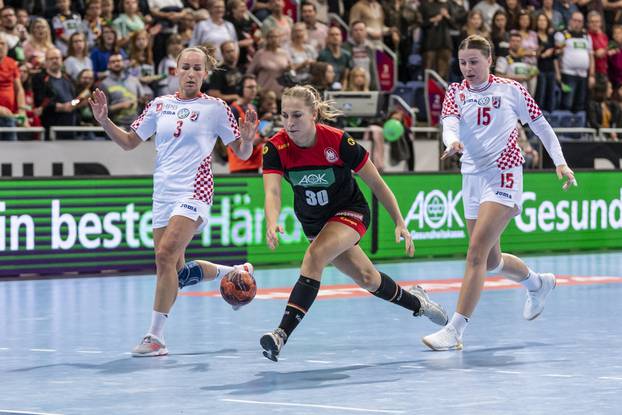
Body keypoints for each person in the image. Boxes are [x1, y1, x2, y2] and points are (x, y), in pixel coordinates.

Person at [89, 46, 259, 357]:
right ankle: (236, 270)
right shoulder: (159, 105)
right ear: (175, 71)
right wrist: (104, 121)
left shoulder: (217, 108)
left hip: (195, 189)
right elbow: (129, 142)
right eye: (186, 67)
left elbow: (243, 153)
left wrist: (247, 140)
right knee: (176, 272)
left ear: (205, 74)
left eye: (198, 68)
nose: (191, 73)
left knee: (164, 256)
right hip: (162, 194)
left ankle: (155, 338)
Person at [260, 85, 448, 362]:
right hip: (314, 223)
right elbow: (272, 192)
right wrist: (272, 221)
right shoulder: (275, 147)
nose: (290, 122)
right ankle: (418, 302)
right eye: (285, 115)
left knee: (315, 256)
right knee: (368, 279)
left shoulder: (337, 142)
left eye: (297, 115)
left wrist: (399, 221)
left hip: (350, 211)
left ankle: (281, 334)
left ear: (313, 115)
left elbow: (376, 183)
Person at [422, 35, 577, 351]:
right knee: (490, 260)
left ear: (489, 60)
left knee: (476, 253)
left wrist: (560, 162)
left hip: (504, 173)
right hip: (472, 177)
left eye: (474, 62)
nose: (467, 68)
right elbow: (449, 124)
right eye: (463, 62)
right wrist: (451, 141)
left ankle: (455, 330)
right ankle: (538, 283)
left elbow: (541, 126)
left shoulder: (511, 89)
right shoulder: (455, 92)